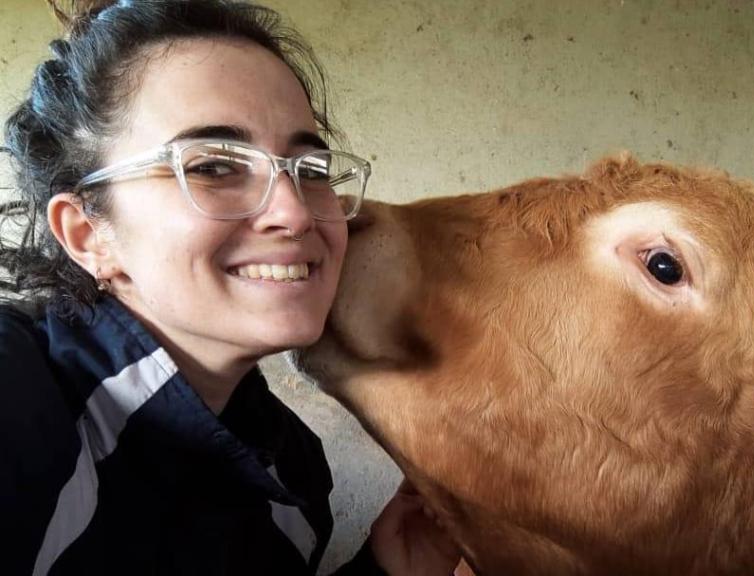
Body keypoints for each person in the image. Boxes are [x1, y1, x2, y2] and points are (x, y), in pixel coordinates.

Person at [0, 1, 459, 574]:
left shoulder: (291, 465)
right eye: (214, 166)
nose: (295, 214)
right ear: (90, 233)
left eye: (310, 170)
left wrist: (386, 570)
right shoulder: (21, 406)